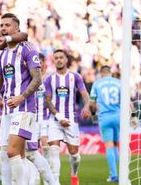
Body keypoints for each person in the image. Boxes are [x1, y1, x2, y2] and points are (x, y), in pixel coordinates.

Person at [0, 13, 42, 185]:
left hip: (24, 108)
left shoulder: (27, 48)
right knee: (6, 153)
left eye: (7, 25)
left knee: (12, 152)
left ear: (16, 28)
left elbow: (37, 78)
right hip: (8, 111)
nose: (3, 28)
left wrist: (22, 96)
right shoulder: (2, 55)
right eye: (1, 25)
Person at [44, 49, 91, 185]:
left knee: (75, 155)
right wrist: (59, 117)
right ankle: (55, 182)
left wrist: (87, 106)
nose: (58, 60)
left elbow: (85, 94)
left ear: (66, 60)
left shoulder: (75, 76)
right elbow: (47, 101)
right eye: (56, 58)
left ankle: (74, 174)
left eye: (61, 57)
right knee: (53, 150)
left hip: (71, 120)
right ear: (54, 61)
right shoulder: (50, 79)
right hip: (54, 119)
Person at [25, 52, 56, 185]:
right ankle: (36, 178)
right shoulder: (28, 78)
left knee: (47, 147)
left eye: (40, 62)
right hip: (32, 118)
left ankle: (51, 179)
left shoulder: (50, 78)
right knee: (32, 150)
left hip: (46, 118)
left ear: (43, 63)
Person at [89, 66, 122, 182]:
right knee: (115, 145)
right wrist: (132, 116)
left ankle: (113, 175)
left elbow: (92, 103)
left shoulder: (97, 84)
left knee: (109, 146)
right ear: (110, 73)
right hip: (118, 117)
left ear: (101, 74)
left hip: (105, 118)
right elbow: (126, 100)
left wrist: (93, 114)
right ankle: (118, 172)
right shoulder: (119, 83)